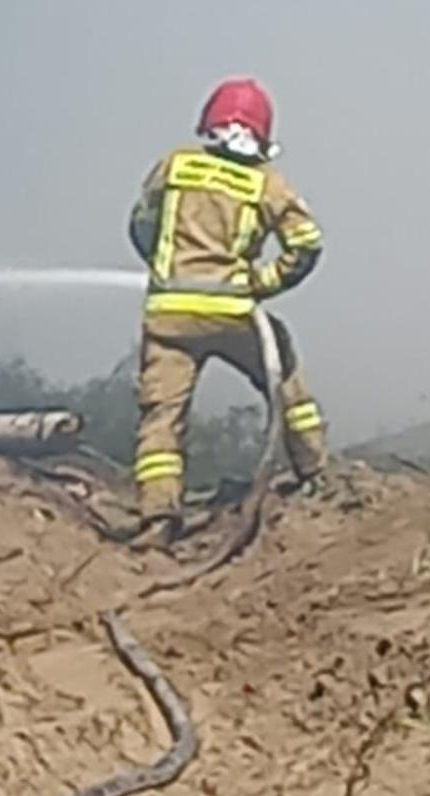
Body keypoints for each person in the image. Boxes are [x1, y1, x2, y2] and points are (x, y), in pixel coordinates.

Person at [124, 75, 329, 547]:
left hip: (169, 316)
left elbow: (141, 225)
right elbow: (307, 244)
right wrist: (263, 283)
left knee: (161, 417)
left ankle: (158, 519)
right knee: (284, 375)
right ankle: (315, 472)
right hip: (234, 314)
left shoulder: (174, 166)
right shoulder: (266, 183)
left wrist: (166, 269)